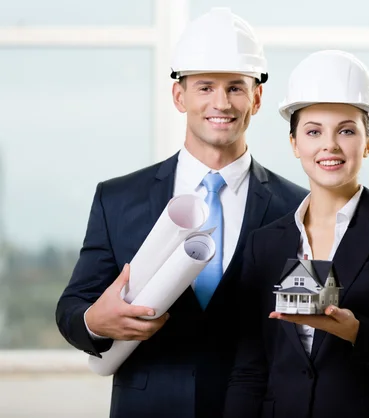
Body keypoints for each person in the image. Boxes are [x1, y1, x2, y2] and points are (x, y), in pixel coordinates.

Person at [55, 8, 307, 418]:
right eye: (205, 87)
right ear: (180, 96)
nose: (221, 103)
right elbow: (73, 307)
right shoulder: (118, 199)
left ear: (256, 98)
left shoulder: (300, 208)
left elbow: (308, 330)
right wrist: (96, 322)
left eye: (236, 88)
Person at [224, 50, 369, 418]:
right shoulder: (266, 243)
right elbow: (249, 371)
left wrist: (356, 332)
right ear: (294, 144)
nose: (330, 146)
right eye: (314, 131)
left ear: (368, 142)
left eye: (347, 130)